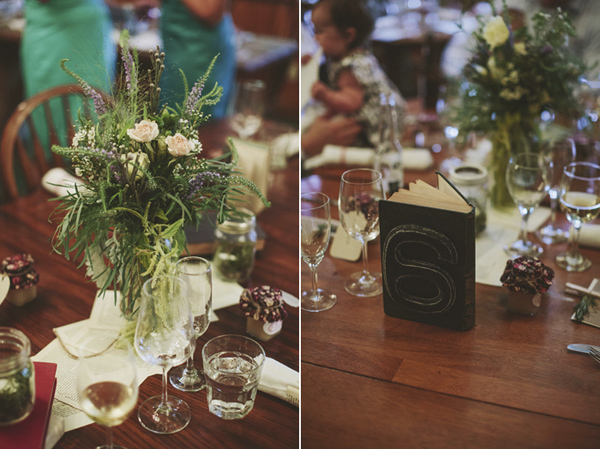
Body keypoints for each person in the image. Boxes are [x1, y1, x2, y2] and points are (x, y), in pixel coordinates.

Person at [301, 0, 406, 156]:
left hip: (376, 127)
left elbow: (352, 101)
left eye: (320, 31)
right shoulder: (347, 56)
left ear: (349, 35)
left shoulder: (352, 66)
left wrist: (326, 95)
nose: (316, 38)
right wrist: (311, 64)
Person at [159, 0, 236, 120]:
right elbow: (209, 11)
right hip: (186, 53)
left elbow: (212, 13)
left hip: (200, 54)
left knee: (197, 127)